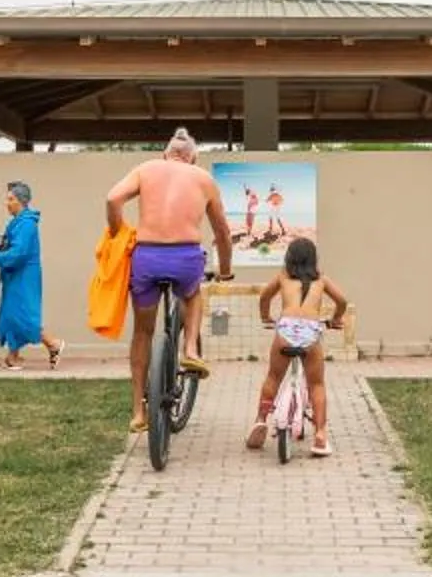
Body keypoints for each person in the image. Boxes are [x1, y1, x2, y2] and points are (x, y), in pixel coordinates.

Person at [104, 129, 234, 432]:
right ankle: (190, 349)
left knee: (142, 333)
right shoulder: (203, 179)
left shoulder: (146, 168)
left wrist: (115, 231)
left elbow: (112, 199)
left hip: (147, 258)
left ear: (166, 153)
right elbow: (223, 234)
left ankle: (138, 410)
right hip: (185, 259)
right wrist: (225, 270)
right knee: (192, 294)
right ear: (193, 159)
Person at [248, 236, 347, 459]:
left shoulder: (283, 276)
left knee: (273, 377)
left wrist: (266, 317)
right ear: (313, 259)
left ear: (289, 258)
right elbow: (342, 300)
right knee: (317, 384)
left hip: (285, 329)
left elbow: (264, 297)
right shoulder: (321, 279)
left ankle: (261, 420)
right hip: (310, 333)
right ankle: (320, 435)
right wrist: (336, 319)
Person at [0, 181, 61, 370]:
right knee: (11, 315)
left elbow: (19, 253)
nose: (6, 203)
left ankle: (53, 344)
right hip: (15, 275)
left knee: (24, 315)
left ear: (21, 201)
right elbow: (10, 247)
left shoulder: (26, 225)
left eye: (10, 199)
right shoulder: (17, 223)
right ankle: (13, 357)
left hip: (24, 276)